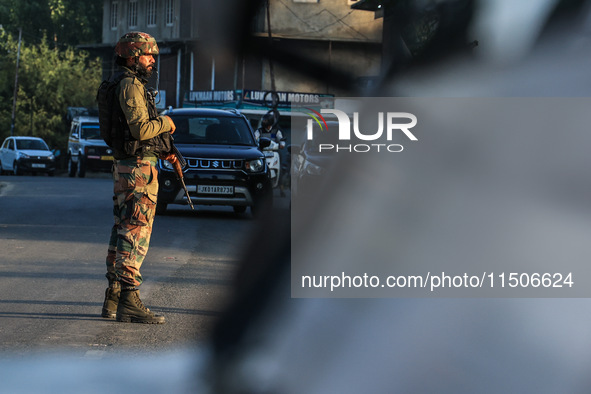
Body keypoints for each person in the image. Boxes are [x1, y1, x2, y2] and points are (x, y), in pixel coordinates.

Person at [99, 31, 178, 324]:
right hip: (137, 171)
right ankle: (130, 300)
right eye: (148, 55)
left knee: (122, 231)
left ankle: (114, 296)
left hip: (126, 167)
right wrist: (167, 123)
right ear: (132, 56)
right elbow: (141, 130)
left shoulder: (118, 83)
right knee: (135, 232)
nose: (152, 60)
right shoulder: (129, 85)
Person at [254, 113, 287, 196]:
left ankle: (282, 189)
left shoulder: (276, 131)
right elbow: (254, 138)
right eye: (263, 120)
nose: (264, 122)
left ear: (271, 121)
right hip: (262, 152)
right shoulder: (259, 131)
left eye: (266, 120)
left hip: (274, 152)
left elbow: (281, 139)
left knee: (281, 169)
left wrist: (282, 144)